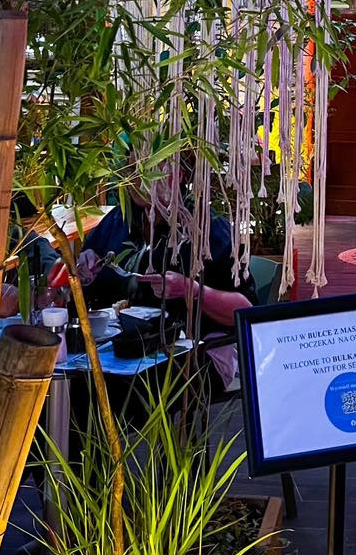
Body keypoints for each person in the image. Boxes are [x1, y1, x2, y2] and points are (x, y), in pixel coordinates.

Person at [78, 162, 256, 393]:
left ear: (179, 174)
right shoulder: (119, 220)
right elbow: (85, 286)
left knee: (116, 391)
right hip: (120, 348)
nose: (140, 177)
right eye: (133, 167)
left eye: (151, 166)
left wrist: (191, 290)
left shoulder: (207, 228)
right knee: (73, 383)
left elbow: (246, 310)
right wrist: (86, 271)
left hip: (196, 352)